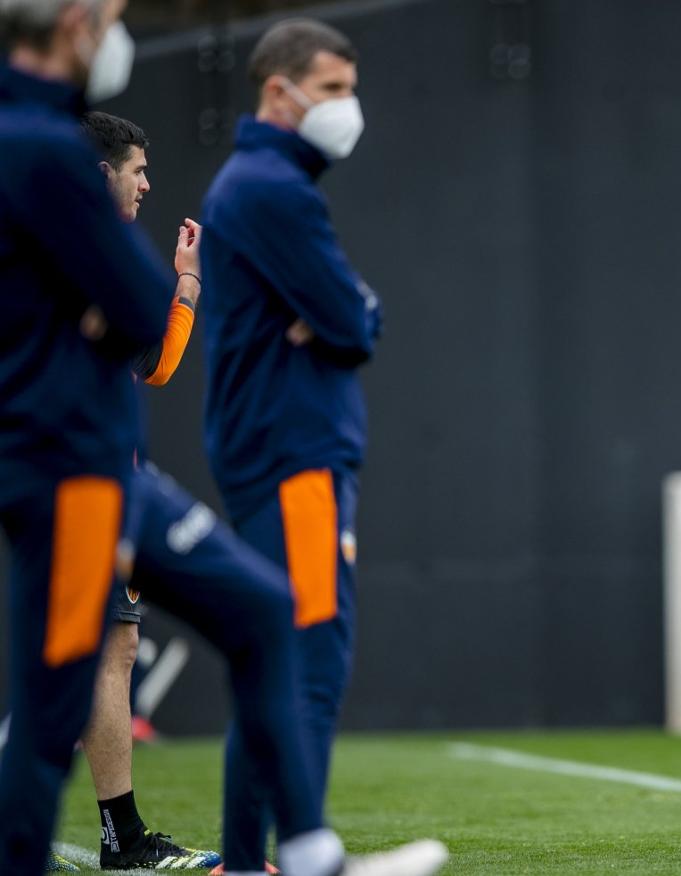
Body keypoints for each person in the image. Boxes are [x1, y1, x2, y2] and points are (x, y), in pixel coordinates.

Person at [0, 3, 445, 874]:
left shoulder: (37, 141)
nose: (116, 34)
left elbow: (145, 320)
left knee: (258, 615)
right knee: (60, 695)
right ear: (75, 24)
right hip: (67, 469)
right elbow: (138, 308)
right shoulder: (39, 145)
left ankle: (303, 853)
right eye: (112, 15)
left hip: (101, 468)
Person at [199, 18, 379, 873]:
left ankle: (246, 861)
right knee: (307, 662)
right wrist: (346, 311)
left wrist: (346, 310)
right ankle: (278, 856)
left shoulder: (266, 181)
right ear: (281, 91)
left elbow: (347, 311)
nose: (349, 109)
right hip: (293, 451)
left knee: (280, 659)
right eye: (336, 90)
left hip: (277, 447)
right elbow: (351, 318)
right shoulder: (272, 187)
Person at [54, 109, 218, 871]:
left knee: (105, 648)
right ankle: (115, 839)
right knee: (98, 652)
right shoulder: (74, 248)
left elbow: (151, 367)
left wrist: (184, 285)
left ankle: (117, 836)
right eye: (136, 169)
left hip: (80, 475)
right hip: (75, 477)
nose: (148, 182)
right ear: (100, 174)